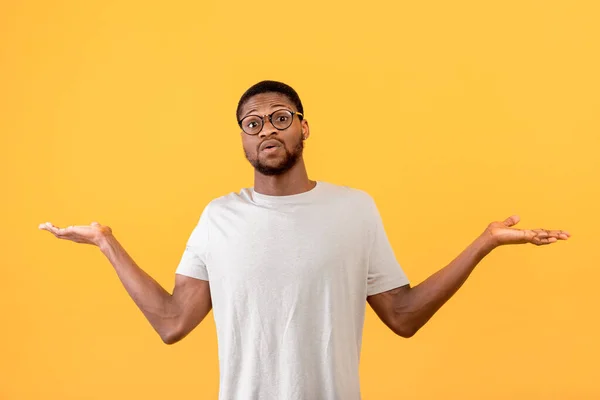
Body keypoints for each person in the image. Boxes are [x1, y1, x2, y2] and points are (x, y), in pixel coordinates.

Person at [39, 80, 570, 400]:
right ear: (243, 137)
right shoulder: (219, 217)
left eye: (280, 118)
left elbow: (403, 316)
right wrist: (107, 243)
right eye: (253, 123)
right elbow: (174, 323)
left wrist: (484, 242)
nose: (267, 130)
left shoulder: (353, 209)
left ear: (304, 127)